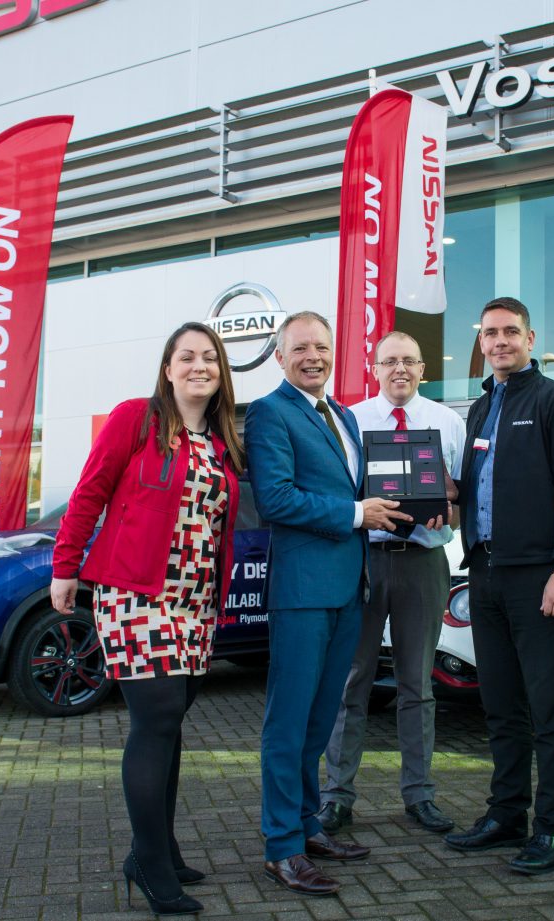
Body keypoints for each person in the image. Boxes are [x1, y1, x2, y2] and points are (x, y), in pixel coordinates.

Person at [50, 322, 244, 917]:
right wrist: (66, 565)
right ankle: (152, 868)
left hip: (194, 600)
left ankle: (157, 849)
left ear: (221, 372)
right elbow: (89, 493)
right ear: (167, 369)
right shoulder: (136, 418)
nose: (199, 366)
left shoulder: (220, 441)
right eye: (186, 357)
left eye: (209, 358)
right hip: (137, 594)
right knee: (155, 721)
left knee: (171, 724)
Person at [244, 311, 414, 897]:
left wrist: (409, 504)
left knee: (320, 720)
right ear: (279, 356)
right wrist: (353, 515)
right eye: (300, 348)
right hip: (302, 593)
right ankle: (281, 848)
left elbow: (359, 492)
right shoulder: (270, 412)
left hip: (348, 588)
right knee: (288, 723)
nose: (312, 356)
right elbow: (275, 498)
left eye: (321, 347)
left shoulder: (340, 414)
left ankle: (308, 826)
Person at [444, 296, 554, 876]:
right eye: (490, 333)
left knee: (549, 712)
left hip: (541, 579)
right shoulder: (480, 409)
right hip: (483, 572)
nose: (500, 341)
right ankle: (506, 813)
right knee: (501, 707)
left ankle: (552, 831)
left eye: (511, 332)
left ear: (531, 338)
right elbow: (474, 485)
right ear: (480, 342)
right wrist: (442, 496)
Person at [318, 331, 467, 834]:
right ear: (373, 368)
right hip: (362, 561)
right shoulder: (350, 421)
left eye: (408, 360)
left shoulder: (449, 423)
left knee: (417, 684)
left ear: (423, 368)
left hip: (423, 563)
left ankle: (420, 796)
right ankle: (336, 796)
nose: (399, 369)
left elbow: (462, 505)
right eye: (389, 361)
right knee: (351, 681)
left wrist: (447, 509)